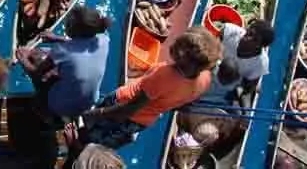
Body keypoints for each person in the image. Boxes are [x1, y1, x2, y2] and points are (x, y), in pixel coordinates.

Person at [66, 26, 221, 156]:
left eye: (179, 46)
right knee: (101, 140)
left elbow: (128, 109)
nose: (175, 46)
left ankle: (75, 147)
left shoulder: (165, 75)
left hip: (121, 107)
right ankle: (83, 149)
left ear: (184, 57)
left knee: (87, 131)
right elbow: (178, 102)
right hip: (142, 121)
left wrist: (96, 114)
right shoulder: (205, 78)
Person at [16, 5, 111, 123]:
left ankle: (44, 110)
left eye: (67, 23)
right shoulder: (104, 39)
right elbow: (82, 47)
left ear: (72, 29)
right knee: (61, 67)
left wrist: (23, 58)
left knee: (36, 58)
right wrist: (56, 38)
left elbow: (36, 73)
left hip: (61, 106)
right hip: (89, 103)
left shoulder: (63, 51)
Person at [220, 19, 274, 96]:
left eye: (255, 40)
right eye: (250, 33)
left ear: (260, 46)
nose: (248, 38)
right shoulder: (229, 31)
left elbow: (248, 86)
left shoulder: (261, 64)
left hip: (227, 86)